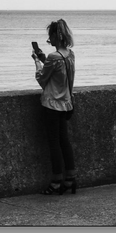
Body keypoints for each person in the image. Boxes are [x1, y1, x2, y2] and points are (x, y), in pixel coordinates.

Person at [32, 19, 77, 195]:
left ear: (55, 35)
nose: (48, 38)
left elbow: (43, 80)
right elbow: (63, 77)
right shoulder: (70, 54)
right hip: (66, 103)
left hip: (51, 105)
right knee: (64, 141)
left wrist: (37, 61)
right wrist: (45, 59)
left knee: (53, 144)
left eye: (50, 34)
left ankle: (57, 181)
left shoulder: (54, 57)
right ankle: (70, 179)